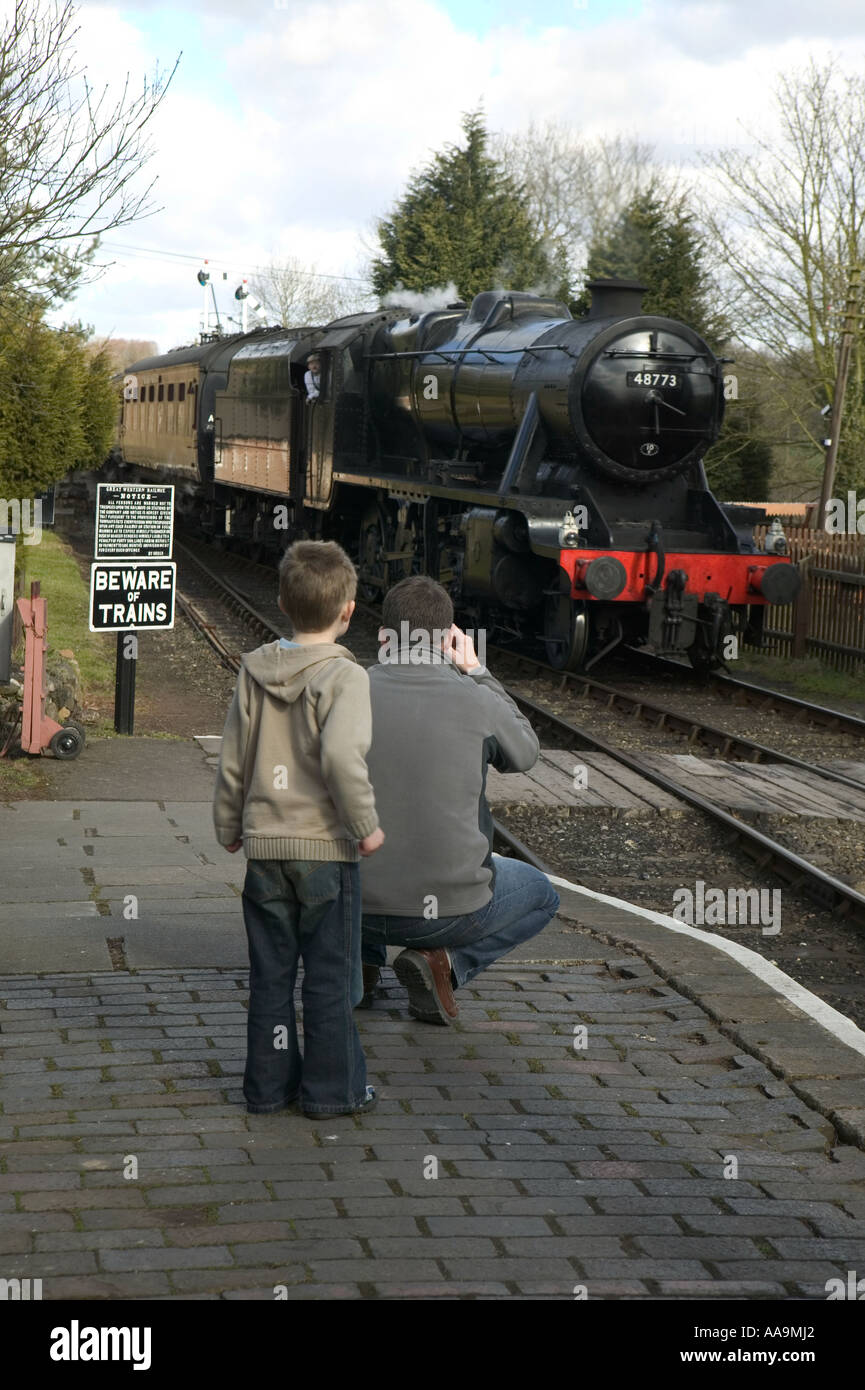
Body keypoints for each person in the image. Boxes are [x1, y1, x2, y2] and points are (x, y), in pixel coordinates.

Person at [213, 539, 384, 1117]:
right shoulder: (346, 677)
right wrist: (364, 824)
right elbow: (341, 757)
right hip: (326, 854)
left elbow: (233, 758)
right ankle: (330, 1094)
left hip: (265, 850)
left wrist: (230, 824)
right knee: (330, 980)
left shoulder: (255, 669)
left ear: (283, 602)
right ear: (349, 610)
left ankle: (266, 1089)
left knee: (271, 977)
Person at [360, 575, 560, 1024]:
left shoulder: (343, 691)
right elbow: (525, 753)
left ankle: (359, 964)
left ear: (382, 636)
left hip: (348, 905)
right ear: (451, 639)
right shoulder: (476, 699)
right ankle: (447, 963)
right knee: (544, 895)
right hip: (448, 914)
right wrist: (478, 671)